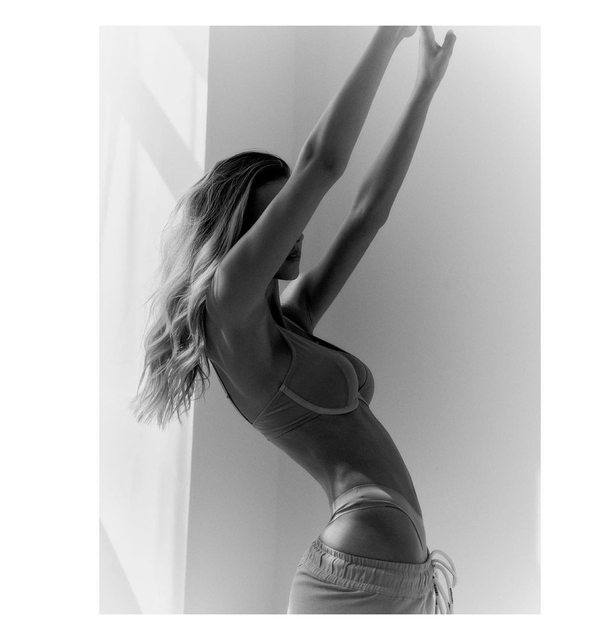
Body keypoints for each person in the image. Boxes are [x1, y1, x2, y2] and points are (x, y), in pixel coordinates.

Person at [133, 26, 457, 614]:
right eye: (277, 219)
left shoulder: (290, 322)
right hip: (354, 568)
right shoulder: (228, 306)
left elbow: (367, 215)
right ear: (240, 234)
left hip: (395, 572)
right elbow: (322, 164)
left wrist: (423, 90)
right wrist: (386, 34)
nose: (296, 231)